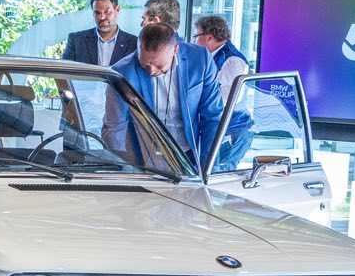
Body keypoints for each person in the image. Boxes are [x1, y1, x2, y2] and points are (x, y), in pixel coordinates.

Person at [110, 21, 224, 169]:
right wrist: (118, 167)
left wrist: (208, 167)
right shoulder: (122, 72)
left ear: (175, 49)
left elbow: (212, 116)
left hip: (189, 152)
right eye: (145, 64)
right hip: (142, 156)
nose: (151, 71)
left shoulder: (200, 59)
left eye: (159, 65)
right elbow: (115, 126)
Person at [194, 13, 256, 171]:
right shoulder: (215, 56)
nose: (195, 41)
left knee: (220, 173)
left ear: (209, 37)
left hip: (233, 129)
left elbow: (229, 98)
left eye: (196, 36)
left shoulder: (232, 60)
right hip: (224, 127)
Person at [62, 0, 137, 66]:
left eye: (107, 12)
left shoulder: (134, 44)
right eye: (97, 13)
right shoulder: (76, 40)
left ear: (117, 10)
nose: (102, 17)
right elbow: (63, 70)